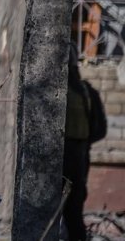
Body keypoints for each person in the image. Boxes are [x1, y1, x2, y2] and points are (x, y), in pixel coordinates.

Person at [62, 45, 92, 241]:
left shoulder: (71, 90)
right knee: (73, 208)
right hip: (79, 152)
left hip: (70, 153)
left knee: (70, 208)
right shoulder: (82, 90)